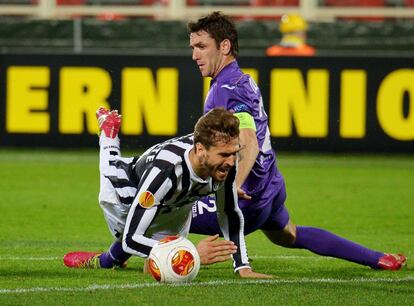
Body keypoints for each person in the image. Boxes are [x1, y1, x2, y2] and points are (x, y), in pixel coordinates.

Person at [187, 11, 406, 271]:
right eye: (192, 47)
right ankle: (377, 258)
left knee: (163, 209)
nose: (194, 55)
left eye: (201, 47)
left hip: (247, 200)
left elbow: (249, 141)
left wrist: (233, 186)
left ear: (224, 46)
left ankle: (123, 255)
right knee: (290, 235)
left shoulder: (225, 90)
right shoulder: (242, 79)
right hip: (271, 186)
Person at [63, 106, 271, 279]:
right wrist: (191, 253)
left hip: (177, 204)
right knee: (132, 223)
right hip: (128, 193)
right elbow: (131, 238)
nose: (232, 161)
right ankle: (109, 134)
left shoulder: (226, 161)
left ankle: (110, 259)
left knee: (159, 271)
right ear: (200, 150)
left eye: (234, 153)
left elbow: (228, 213)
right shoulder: (166, 171)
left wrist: (243, 267)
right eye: (225, 155)